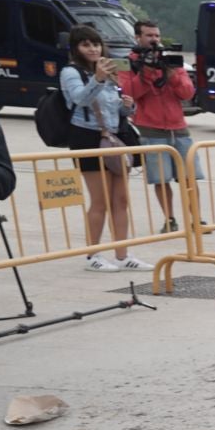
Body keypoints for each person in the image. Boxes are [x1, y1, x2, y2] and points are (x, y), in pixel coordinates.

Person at [60, 27, 146, 272]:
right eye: (86, 45)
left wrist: (127, 107)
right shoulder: (71, 72)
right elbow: (80, 99)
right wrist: (97, 79)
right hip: (87, 137)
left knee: (121, 199)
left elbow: (112, 107)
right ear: (76, 48)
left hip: (114, 137)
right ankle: (93, 254)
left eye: (96, 44)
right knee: (100, 201)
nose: (93, 49)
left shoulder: (107, 70)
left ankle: (122, 254)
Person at [118, 18, 194, 235]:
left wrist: (171, 75)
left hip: (178, 126)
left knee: (189, 176)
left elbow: (187, 93)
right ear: (137, 37)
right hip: (150, 128)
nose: (154, 40)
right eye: (149, 35)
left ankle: (196, 218)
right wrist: (147, 71)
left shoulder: (170, 60)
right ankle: (169, 219)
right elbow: (129, 93)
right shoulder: (128, 63)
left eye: (157, 35)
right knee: (161, 179)